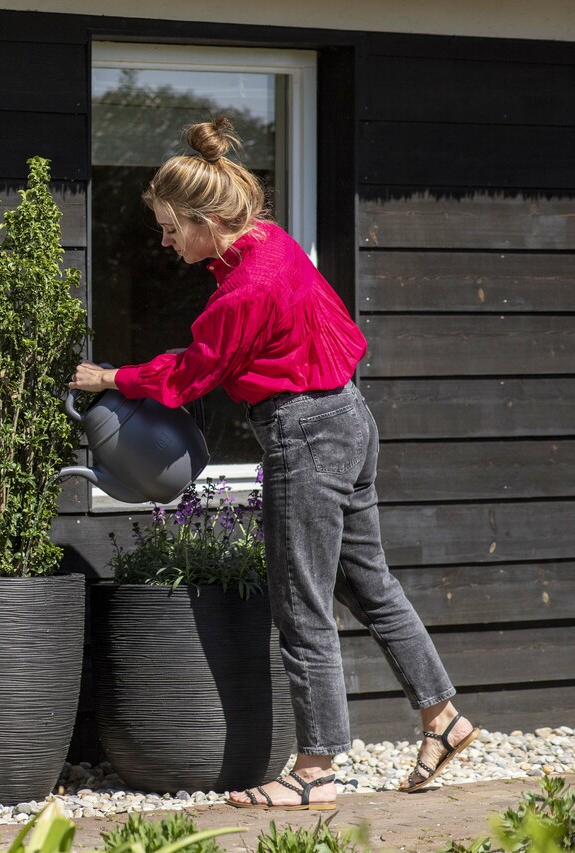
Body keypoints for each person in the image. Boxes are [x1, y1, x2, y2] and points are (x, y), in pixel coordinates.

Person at [68, 116, 478, 811]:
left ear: (203, 219)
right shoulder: (270, 245)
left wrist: (109, 377)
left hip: (308, 434)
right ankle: (442, 716)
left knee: (299, 602)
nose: (164, 241)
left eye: (171, 227)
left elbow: (188, 375)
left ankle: (315, 768)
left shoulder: (243, 291)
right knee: (368, 580)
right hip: (349, 415)